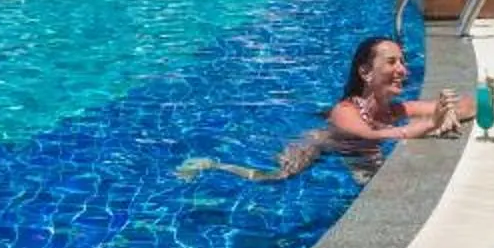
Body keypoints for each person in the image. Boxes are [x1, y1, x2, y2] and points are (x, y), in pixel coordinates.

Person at [180, 34, 469, 182]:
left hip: (361, 150)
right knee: (278, 178)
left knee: (374, 180)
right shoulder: (343, 111)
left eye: (402, 62)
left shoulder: (396, 110)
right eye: (392, 62)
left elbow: (469, 105)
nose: (403, 70)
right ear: (366, 73)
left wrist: (450, 109)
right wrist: (432, 123)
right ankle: (212, 164)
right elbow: (371, 136)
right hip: (321, 144)